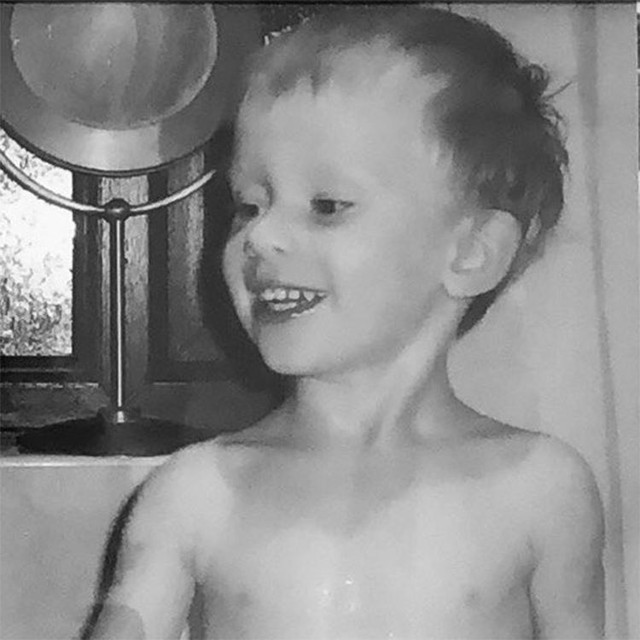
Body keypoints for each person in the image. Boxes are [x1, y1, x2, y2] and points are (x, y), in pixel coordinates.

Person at [85, 6, 605, 639]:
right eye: (248, 206)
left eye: (326, 205)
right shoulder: (196, 494)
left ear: (470, 253)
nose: (261, 237)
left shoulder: (540, 489)